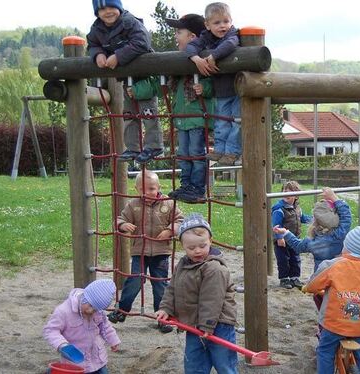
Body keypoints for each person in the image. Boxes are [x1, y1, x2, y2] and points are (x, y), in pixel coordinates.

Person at [130, 14, 213, 202]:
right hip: (181, 120)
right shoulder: (175, 65)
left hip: (198, 119)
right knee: (183, 155)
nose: (175, 36)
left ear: (192, 37)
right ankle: (185, 186)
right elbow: (159, 87)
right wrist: (136, 90)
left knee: (197, 155)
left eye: (178, 32)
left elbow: (213, 86)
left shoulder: (204, 59)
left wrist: (204, 88)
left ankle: (198, 188)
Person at [156, 213, 238, 374]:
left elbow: (212, 300)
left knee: (224, 364)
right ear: (183, 246)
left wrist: (207, 325)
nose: (197, 251)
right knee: (194, 365)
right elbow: (173, 288)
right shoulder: (183, 264)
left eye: (202, 246)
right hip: (194, 325)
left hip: (218, 325)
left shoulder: (214, 268)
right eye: (191, 248)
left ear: (210, 241)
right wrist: (166, 308)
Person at [107, 170, 184, 334]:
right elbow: (119, 219)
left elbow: (180, 220)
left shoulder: (168, 203)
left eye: (151, 188)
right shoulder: (133, 205)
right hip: (139, 252)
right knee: (134, 281)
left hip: (161, 252)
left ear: (158, 187)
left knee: (160, 285)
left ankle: (163, 318)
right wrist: (123, 225)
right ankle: (121, 311)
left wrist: (170, 230)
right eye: (143, 189)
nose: (147, 192)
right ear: (136, 190)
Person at [87, 0, 162, 164]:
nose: (108, 12)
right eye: (102, 9)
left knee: (148, 112)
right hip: (126, 80)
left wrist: (118, 56)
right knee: (128, 114)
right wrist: (98, 54)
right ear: (97, 13)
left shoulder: (130, 22)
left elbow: (142, 42)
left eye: (112, 7)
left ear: (119, 7)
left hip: (144, 77)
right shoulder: (97, 29)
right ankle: (133, 147)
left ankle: (154, 144)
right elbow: (92, 44)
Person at [304, 226, 360, 374]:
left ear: (345, 246)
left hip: (333, 324)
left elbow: (313, 285)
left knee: (325, 351)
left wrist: (307, 288)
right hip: (358, 326)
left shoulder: (333, 266)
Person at [272, 187, 352, 336]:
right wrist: (335, 198)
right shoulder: (340, 235)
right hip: (341, 280)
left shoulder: (312, 242)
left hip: (322, 281)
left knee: (322, 301)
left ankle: (324, 328)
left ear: (315, 222)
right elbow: (347, 217)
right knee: (341, 304)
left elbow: (297, 246)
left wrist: (286, 233)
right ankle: (339, 325)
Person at [185, 2, 241, 166]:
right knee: (221, 121)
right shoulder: (205, 37)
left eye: (226, 21)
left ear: (231, 21)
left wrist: (213, 56)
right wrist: (196, 59)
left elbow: (230, 44)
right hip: (221, 90)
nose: (222, 26)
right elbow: (190, 47)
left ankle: (232, 152)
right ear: (207, 25)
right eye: (217, 23)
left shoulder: (233, 34)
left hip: (238, 88)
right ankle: (219, 149)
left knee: (237, 122)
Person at [43, 279, 120, 374]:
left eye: (95, 309)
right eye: (90, 306)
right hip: (75, 361)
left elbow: (105, 326)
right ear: (84, 297)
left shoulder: (98, 312)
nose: (91, 311)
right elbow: (51, 330)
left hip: (97, 359)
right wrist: (61, 344)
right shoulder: (64, 312)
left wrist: (113, 340)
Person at [271, 180, 313, 289]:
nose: (286, 194)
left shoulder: (297, 208)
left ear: (296, 196)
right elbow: (276, 225)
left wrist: (314, 220)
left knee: (295, 259)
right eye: (284, 192)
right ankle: (284, 279)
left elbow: (302, 218)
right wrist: (280, 238)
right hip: (282, 240)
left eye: (290, 192)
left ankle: (294, 277)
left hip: (294, 239)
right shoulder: (279, 209)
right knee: (283, 260)